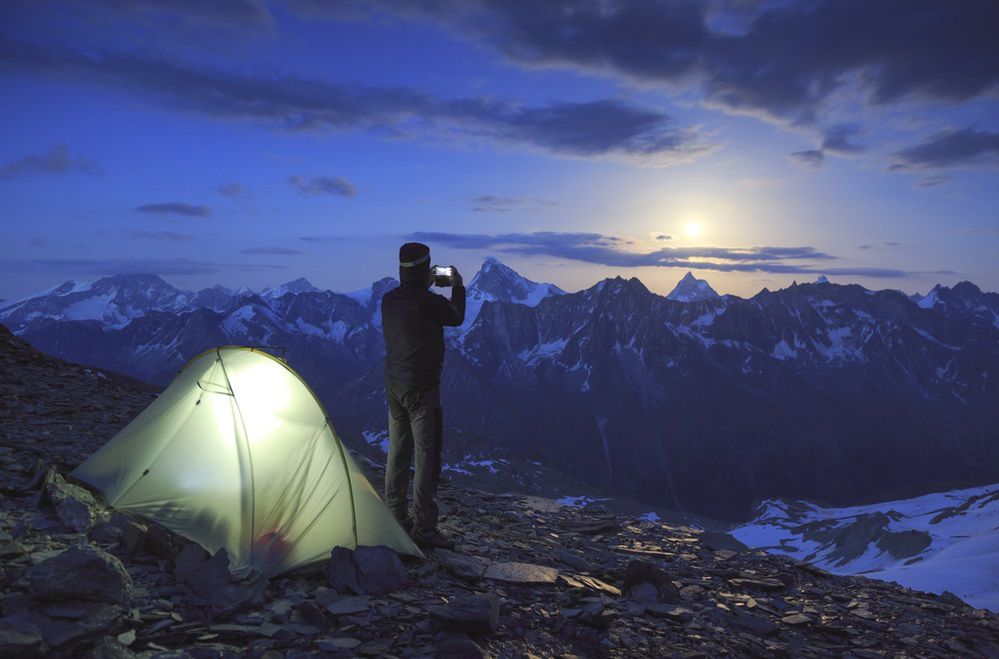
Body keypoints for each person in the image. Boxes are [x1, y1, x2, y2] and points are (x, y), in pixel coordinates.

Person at [381, 242, 465, 549]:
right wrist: (457, 286)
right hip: (422, 388)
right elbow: (456, 317)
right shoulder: (430, 302)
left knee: (398, 452)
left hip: (394, 385)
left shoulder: (388, 300)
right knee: (426, 458)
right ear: (426, 268)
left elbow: (411, 302)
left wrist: (420, 282)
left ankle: (394, 518)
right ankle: (425, 529)